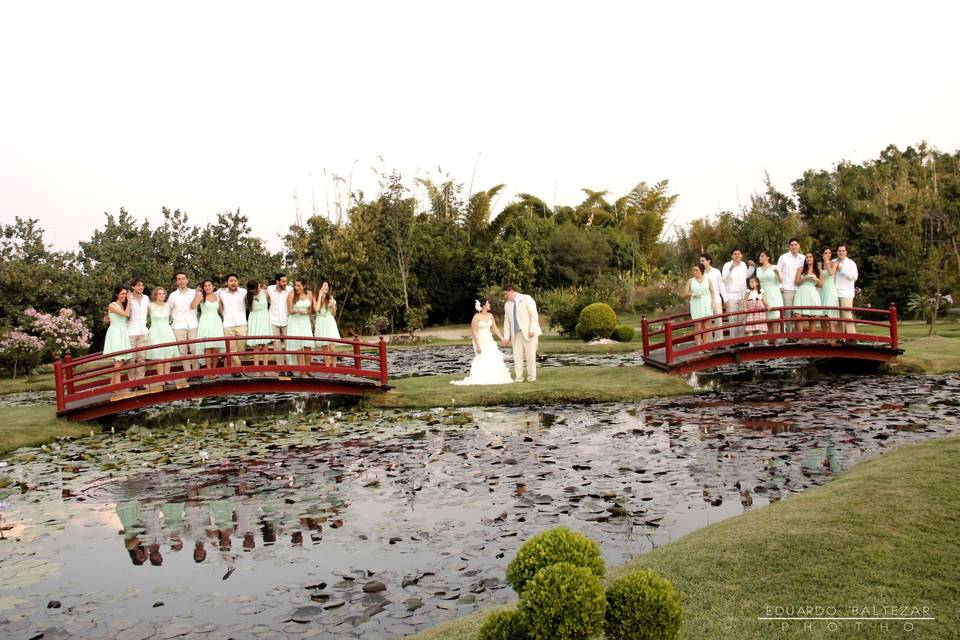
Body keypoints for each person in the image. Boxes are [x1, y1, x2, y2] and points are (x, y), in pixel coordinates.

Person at [452, 299, 513, 385]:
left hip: (489, 340)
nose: (489, 304)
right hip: (480, 341)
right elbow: (474, 332)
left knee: (492, 356)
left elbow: (494, 328)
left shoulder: (490, 315)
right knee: (482, 358)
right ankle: (481, 377)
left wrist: (502, 338)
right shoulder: (476, 317)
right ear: (484, 305)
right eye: (488, 303)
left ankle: (493, 376)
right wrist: (477, 345)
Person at [500, 284, 542, 382]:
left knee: (530, 356)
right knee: (517, 357)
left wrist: (532, 329)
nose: (505, 296)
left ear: (511, 291)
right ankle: (519, 378)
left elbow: (534, 315)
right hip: (516, 334)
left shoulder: (526, 298)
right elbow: (507, 322)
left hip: (529, 333)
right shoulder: (507, 305)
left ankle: (532, 377)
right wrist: (506, 337)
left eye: (505, 294)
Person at [145, 287, 179, 388]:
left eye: (163, 294)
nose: (161, 295)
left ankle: (167, 377)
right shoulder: (150, 306)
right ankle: (160, 377)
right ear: (155, 295)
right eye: (159, 294)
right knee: (158, 354)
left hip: (167, 330)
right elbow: (143, 318)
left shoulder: (169, 306)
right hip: (155, 331)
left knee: (167, 353)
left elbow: (171, 318)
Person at [168, 272, 200, 374]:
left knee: (195, 349)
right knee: (183, 351)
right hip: (178, 325)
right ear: (176, 282)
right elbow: (168, 310)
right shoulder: (173, 296)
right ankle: (188, 373)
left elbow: (195, 306)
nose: (181, 281)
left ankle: (196, 372)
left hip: (193, 324)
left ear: (187, 280)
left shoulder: (194, 292)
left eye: (183, 278)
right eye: (179, 279)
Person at [721, 249, 755, 338]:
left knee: (742, 319)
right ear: (731, 256)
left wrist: (751, 267)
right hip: (731, 296)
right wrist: (731, 269)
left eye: (739, 254)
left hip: (743, 296)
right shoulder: (727, 265)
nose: (737, 255)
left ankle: (741, 340)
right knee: (732, 319)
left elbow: (746, 276)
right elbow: (723, 279)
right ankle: (733, 341)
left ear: (741, 255)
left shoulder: (743, 265)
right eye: (735, 254)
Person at [103, 285, 132, 386]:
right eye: (122, 294)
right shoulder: (112, 305)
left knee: (121, 360)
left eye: (125, 293)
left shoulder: (123, 305)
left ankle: (112, 385)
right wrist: (129, 300)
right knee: (118, 360)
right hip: (116, 333)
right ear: (117, 294)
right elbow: (126, 314)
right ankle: (117, 386)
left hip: (123, 331)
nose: (124, 296)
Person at [218, 274, 248, 368]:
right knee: (231, 349)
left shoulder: (243, 292)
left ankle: (236, 366)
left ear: (238, 282)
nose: (233, 282)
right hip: (228, 324)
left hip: (241, 323)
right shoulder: (221, 293)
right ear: (227, 283)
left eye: (235, 280)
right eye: (231, 281)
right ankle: (236, 369)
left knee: (241, 348)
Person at [194, 279, 225, 369]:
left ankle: (214, 369)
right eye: (205, 286)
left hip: (216, 322)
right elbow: (192, 306)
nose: (207, 287)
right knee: (208, 347)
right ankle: (209, 370)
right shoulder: (201, 296)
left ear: (213, 286)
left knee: (216, 348)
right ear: (203, 288)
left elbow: (221, 311)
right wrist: (196, 295)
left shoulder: (218, 297)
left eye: (209, 285)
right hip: (206, 321)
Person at [777, 239, 806, 330]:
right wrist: (780, 286)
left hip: (800, 289)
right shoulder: (783, 257)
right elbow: (777, 272)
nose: (794, 247)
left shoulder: (803, 258)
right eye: (792, 245)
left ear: (799, 246)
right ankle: (789, 335)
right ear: (789, 246)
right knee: (788, 312)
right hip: (787, 289)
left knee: (798, 313)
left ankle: (798, 334)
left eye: (796, 244)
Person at [286, 278, 315, 369]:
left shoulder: (309, 294)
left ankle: (308, 368)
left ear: (304, 286)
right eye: (295, 285)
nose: (296, 287)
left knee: (308, 345)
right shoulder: (291, 295)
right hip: (294, 321)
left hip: (305, 321)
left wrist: (306, 313)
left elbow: (311, 310)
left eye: (299, 286)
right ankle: (301, 369)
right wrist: (298, 311)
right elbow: (290, 310)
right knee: (298, 345)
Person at [127, 278, 150, 385]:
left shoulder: (146, 298)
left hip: (143, 332)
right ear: (133, 286)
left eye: (142, 285)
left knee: (141, 358)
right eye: (138, 285)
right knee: (131, 359)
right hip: (131, 332)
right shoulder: (128, 298)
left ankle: (140, 382)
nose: (141, 287)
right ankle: (132, 382)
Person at [756, 250, 784, 339]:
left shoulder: (775, 267)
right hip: (763, 293)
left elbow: (781, 281)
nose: (760, 257)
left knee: (775, 316)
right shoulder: (758, 269)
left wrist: (777, 273)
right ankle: (769, 339)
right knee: (766, 317)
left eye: (762, 256)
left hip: (774, 292)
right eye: (760, 256)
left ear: (768, 257)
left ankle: (776, 338)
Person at [267, 273, 293, 367]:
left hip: (287, 320)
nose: (285, 283)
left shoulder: (290, 289)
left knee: (289, 344)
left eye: (286, 281)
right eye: (283, 281)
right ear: (277, 282)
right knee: (277, 346)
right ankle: (281, 367)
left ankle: (290, 367)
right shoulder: (270, 289)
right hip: (273, 321)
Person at [793, 253, 823, 333]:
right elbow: (796, 282)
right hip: (802, 292)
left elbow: (820, 285)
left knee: (812, 316)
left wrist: (815, 280)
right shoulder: (801, 269)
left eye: (810, 257)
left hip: (812, 292)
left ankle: (812, 338)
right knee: (798, 315)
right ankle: (801, 337)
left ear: (813, 259)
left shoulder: (817, 270)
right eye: (807, 257)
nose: (808, 258)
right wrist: (804, 279)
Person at [684, 264, 714, 346]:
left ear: (701, 271)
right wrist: (693, 294)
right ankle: (699, 346)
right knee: (698, 326)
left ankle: (705, 346)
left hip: (706, 303)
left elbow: (712, 291)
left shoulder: (707, 280)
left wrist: (713, 302)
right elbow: (685, 293)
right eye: (693, 270)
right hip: (696, 304)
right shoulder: (691, 281)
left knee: (706, 326)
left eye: (696, 270)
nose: (694, 272)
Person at [245, 279, 271, 372]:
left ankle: (265, 368)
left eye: (257, 288)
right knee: (255, 346)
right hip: (254, 319)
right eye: (254, 289)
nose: (256, 290)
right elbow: (248, 308)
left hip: (264, 318)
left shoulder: (265, 292)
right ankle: (256, 369)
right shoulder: (248, 296)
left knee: (265, 345)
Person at [313, 281, 341, 368]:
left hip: (329, 321)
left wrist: (332, 306)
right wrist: (320, 296)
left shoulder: (330, 297)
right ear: (320, 287)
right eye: (325, 285)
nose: (327, 287)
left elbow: (334, 313)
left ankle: (334, 367)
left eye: (327, 286)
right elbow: (316, 309)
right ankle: (327, 367)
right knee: (324, 347)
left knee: (332, 348)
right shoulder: (315, 297)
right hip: (320, 321)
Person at [699, 254, 726, 341]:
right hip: (705, 301)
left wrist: (725, 299)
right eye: (700, 261)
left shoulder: (716, 271)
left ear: (708, 261)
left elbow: (721, 285)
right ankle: (709, 342)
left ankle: (719, 341)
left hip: (717, 300)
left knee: (718, 321)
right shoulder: (700, 273)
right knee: (708, 323)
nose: (701, 262)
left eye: (703, 260)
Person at [835, 244, 859, 336]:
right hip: (835, 293)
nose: (841, 252)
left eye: (843, 251)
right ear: (837, 252)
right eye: (839, 250)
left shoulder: (851, 263)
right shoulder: (834, 261)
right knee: (838, 317)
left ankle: (852, 336)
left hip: (846, 293)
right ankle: (840, 337)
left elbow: (854, 277)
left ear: (846, 252)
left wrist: (842, 269)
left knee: (846, 315)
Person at [819, 248, 841, 335]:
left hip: (830, 290)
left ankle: (833, 337)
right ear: (822, 254)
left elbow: (831, 273)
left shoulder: (834, 263)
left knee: (830, 316)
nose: (827, 254)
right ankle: (825, 337)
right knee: (822, 316)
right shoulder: (819, 264)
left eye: (829, 253)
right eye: (825, 253)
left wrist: (827, 262)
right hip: (821, 290)